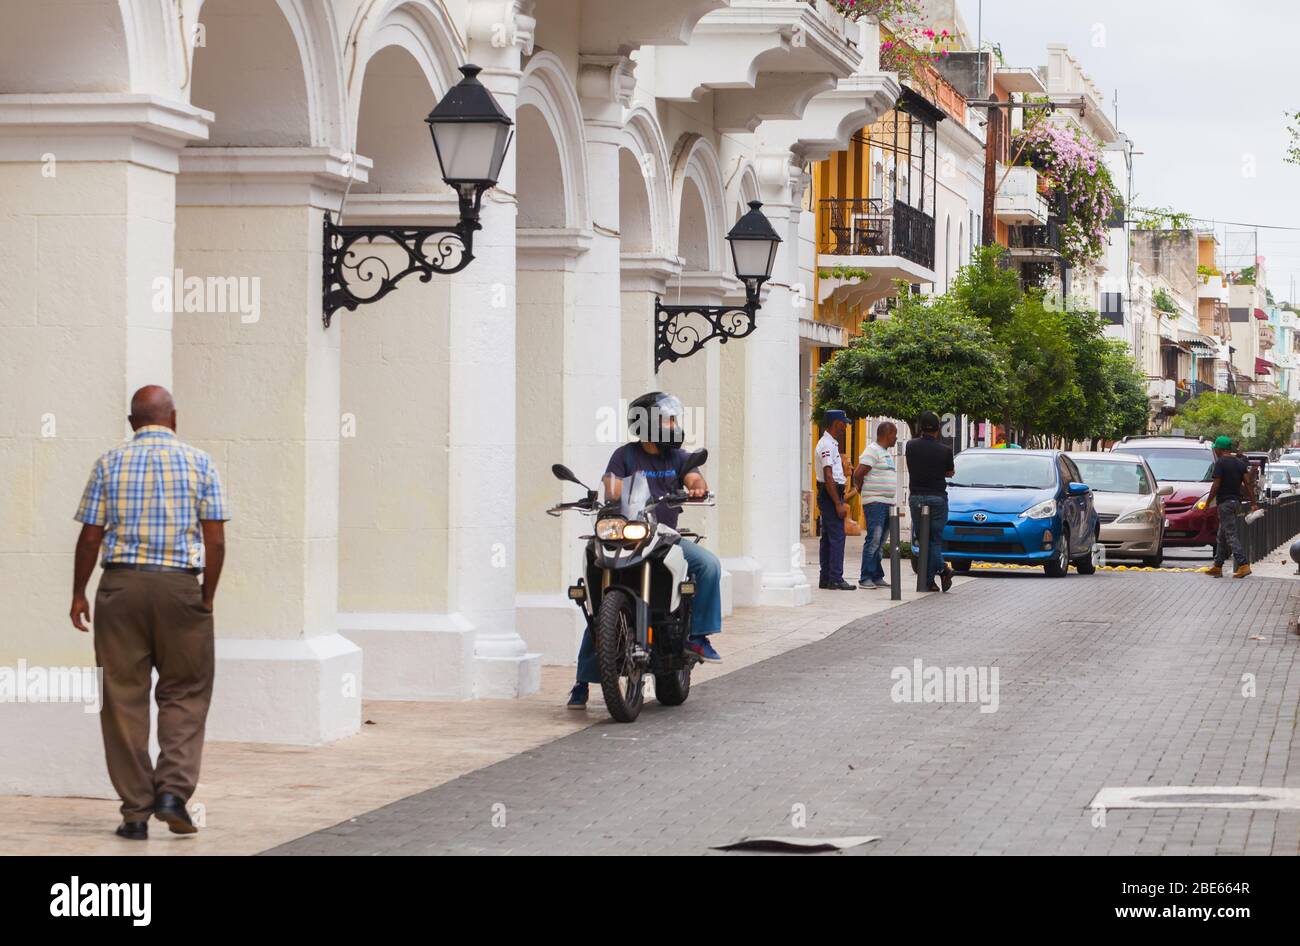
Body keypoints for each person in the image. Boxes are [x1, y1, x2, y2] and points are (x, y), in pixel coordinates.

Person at [69, 385, 228, 840]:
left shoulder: (109, 462)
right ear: (174, 419)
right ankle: (173, 794)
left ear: (131, 423)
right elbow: (215, 540)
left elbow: (90, 538)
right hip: (181, 587)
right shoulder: (200, 462)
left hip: (120, 588)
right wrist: (207, 594)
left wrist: (79, 593)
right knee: (186, 690)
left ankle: (136, 813)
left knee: (122, 697)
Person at [566, 392, 722, 709]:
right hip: (625, 534)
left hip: (663, 536)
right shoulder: (625, 455)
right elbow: (611, 484)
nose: (675, 426)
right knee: (600, 602)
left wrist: (696, 486)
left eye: (675, 420)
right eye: (669, 420)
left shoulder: (678, 458)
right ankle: (583, 680)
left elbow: (694, 474)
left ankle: (697, 637)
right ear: (648, 424)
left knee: (708, 565)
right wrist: (604, 492)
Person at [905, 411, 955, 592]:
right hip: (937, 498)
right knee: (934, 540)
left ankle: (929, 581)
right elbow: (950, 472)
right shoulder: (945, 450)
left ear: (920, 427)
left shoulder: (910, 446)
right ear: (937, 429)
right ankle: (942, 569)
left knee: (923, 540)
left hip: (916, 497)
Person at [852, 421, 898, 589]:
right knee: (874, 539)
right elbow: (858, 473)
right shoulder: (872, 450)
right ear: (887, 435)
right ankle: (865, 577)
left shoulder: (884, 453)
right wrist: (862, 490)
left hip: (887, 503)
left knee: (880, 543)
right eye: (894, 434)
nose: (896, 438)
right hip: (875, 503)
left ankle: (877, 575)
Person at [1205, 435, 1258, 578]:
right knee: (1221, 535)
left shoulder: (1221, 463)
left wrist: (1208, 502)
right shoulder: (1239, 463)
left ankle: (1243, 564)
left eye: (1215, 448)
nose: (1214, 450)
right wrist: (1253, 502)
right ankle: (1217, 566)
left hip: (1225, 504)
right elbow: (1248, 484)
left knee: (1230, 535)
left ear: (1220, 449)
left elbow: (1216, 485)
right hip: (1236, 503)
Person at [815, 410, 855, 590]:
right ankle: (835, 578)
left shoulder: (831, 444)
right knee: (837, 536)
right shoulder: (826, 445)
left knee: (828, 537)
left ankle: (827, 578)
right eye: (843, 423)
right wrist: (838, 503)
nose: (845, 426)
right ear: (836, 423)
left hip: (830, 492)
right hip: (830, 493)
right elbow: (828, 475)